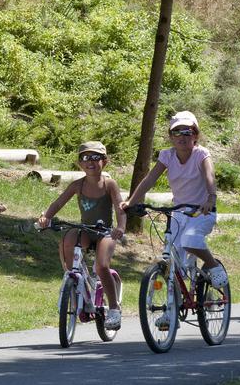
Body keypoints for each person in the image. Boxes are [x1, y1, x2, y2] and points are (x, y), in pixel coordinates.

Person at [122, 111, 219, 326]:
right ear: (170, 136)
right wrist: (131, 201)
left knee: (190, 242)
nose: (182, 136)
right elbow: (149, 180)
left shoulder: (201, 154)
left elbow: (209, 176)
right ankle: (171, 313)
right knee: (171, 264)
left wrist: (211, 198)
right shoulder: (167, 156)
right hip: (178, 213)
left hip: (201, 212)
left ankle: (213, 266)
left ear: (196, 135)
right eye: (177, 132)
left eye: (188, 131)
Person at [37, 141, 126, 330]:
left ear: (105, 161)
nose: (90, 162)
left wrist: (121, 227)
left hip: (105, 232)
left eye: (95, 157)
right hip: (86, 230)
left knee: (102, 267)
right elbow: (57, 203)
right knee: (68, 239)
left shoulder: (109, 184)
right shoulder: (77, 185)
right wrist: (46, 217)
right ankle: (75, 284)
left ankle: (114, 309)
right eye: (85, 158)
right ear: (79, 163)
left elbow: (120, 208)